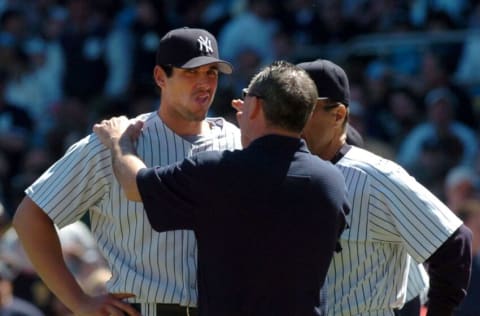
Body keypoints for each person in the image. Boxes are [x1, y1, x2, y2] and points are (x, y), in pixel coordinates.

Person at [13, 27, 241, 316]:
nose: (204, 82)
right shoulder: (116, 140)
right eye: (190, 72)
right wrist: (79, 301)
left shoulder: (237, 141)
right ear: (161, 77)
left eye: (211, 72)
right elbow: (30, 217)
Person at [93, 60, 350, 316]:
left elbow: (133, 185)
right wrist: (252, 129)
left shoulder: (216, 172)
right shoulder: (331, 181)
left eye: (246, 98)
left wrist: (120, 142)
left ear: (256, 106)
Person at [298, 59, 472, 316]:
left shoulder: (373, 175)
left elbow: (454, 243)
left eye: (305, 109)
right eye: (289, 107)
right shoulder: (289, 172)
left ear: (338, 115)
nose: (292, 118)